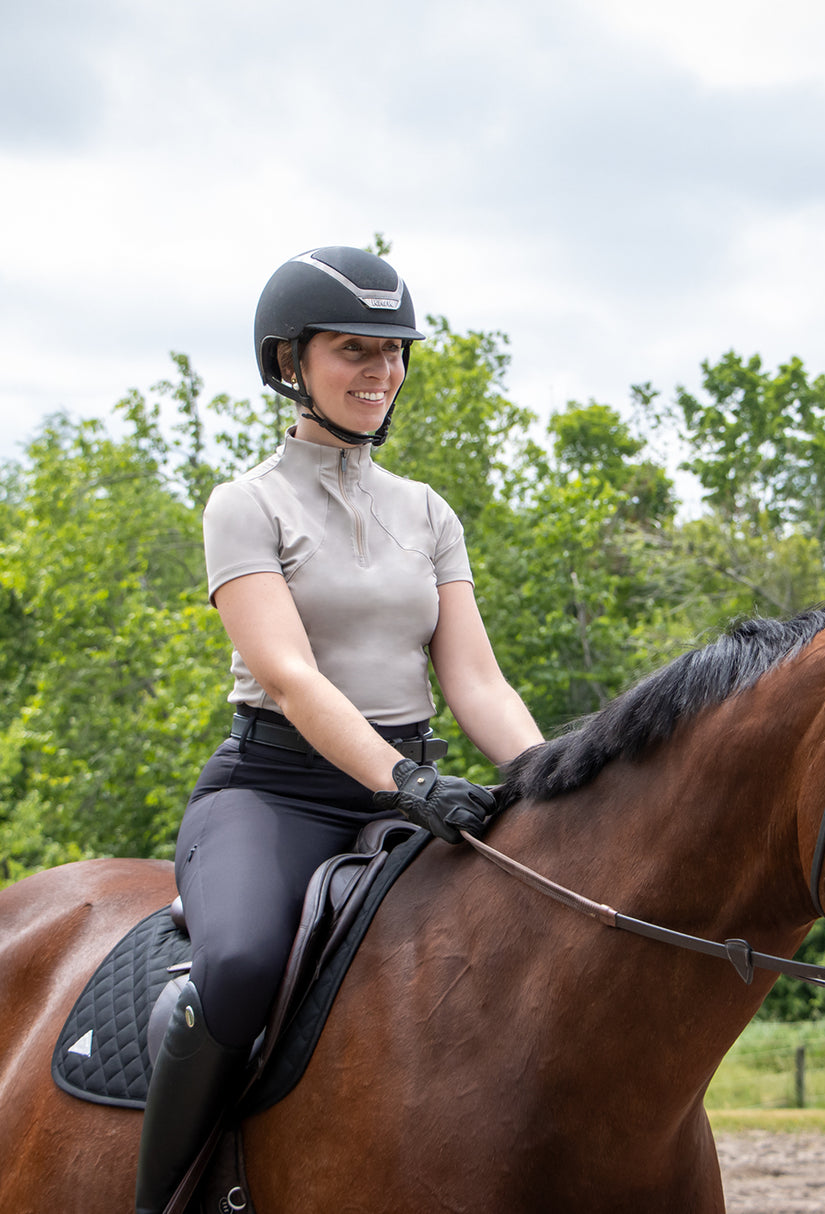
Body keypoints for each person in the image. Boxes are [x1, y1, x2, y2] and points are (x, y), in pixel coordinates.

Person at [134, 246, 544, 1214]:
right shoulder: (246, 506)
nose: (381, 372)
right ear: (290, 361)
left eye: (394, 351)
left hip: (414, 794)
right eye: (354, 349)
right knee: (236, 971)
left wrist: (547, 782)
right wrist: (402, 777)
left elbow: (476, 680)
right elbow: (290, 674)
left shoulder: (427, 513)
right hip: (274, 794)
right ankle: (164, 1197)